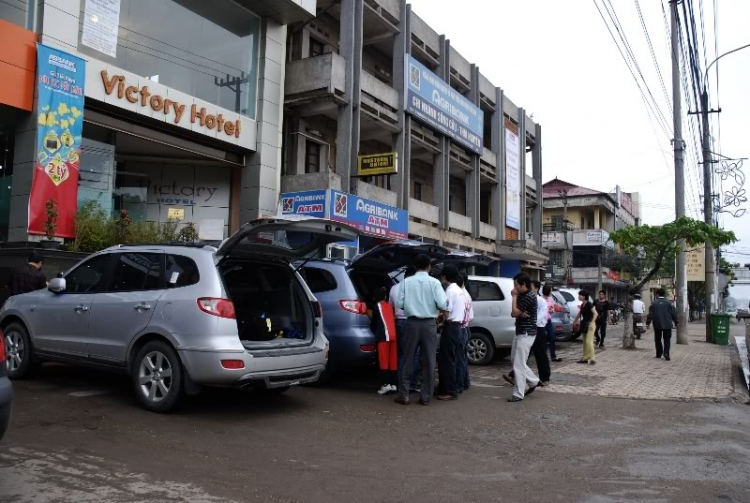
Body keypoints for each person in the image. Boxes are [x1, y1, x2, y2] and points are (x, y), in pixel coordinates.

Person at [396, 254, 448, 406]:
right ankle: (425, 397)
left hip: (411, 323)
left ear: (415, 266)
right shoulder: (435, 282)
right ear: (429, 266)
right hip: (429, 325)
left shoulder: (406, 282)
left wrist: (412, 307)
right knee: (429, 360)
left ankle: (404, 394)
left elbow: (399, 303)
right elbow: (442, 303)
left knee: (407, 359)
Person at [503, 273, 540, 402]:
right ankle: (534, 381)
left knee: (518, 364)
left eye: (516, 285)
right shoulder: (522, 295)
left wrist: (514, 297)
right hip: (520, 332)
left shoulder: (529, 296)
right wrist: (518, 312)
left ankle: (518, 393)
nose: (514, 288)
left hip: (526, 333)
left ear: (523, 285)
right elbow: (514, 314)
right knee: (515, 360)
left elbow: (514, 311)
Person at [507, 280, 551, 386]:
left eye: (531, 287)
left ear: (536, 288)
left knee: (540, 354)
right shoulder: (525, 298)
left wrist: (530, 320)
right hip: (526, 329)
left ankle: (544, 378)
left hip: (538, 329)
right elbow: (516, 312)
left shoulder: (541, 301)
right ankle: (516, 376)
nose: (529, 289)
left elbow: (540, 316)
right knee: (521, 355)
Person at [436, 265, 464, 401]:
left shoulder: (450, 291)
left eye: (442, 275)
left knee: (447, 361)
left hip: (451, 326)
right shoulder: (459, 290)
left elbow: (447, 312)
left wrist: (441, 318)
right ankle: (448, 388)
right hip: (457, 327)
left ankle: (449, 391)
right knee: (451, 359)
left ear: (445, 276)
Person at [390, 266, 419, 392]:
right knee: (415, 355)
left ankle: (401, 384)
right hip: (413, 322)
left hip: (399, 322)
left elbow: (390, 307)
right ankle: (412, 384)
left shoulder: (394, 288)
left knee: (402, 355)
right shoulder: (417, 289)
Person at [371, 287, 398, 395]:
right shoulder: (390, 306)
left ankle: (385, 384)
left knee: (383, 361)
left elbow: (373, 323)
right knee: (393, 361)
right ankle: (394, 385)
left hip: (383, 336)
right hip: (393, 336)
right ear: (385, 296)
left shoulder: (376, 306)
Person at [647, 288, 677, 361]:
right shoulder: (669, 303)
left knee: (657, 339)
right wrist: (676, 322)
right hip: (667, 324)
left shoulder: (653, 303)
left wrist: (648, 323)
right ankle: (666, 353)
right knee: (667, 339)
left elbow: (650, 314)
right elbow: (674, 314)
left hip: (657, 324)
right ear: (664, 294)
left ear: (657, 294)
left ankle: (659, 353)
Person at [456, 273, 473, 393]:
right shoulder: (466, 294)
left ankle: (460, 384)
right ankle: (465, 382)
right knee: (462, 358)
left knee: (459, 358)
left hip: (461, 328)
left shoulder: (462, 295)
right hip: (465, 328)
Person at [573, 290, 597, 365]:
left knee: (589, 342)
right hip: (584, 324)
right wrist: (574, 321)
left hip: (590, 325)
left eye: (580, 295)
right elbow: (579, 313)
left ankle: (592, 358)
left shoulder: (589, 304)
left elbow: (595, 314)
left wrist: (592, 322)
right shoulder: (582, 304)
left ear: (583, 296)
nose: (578, 296)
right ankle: (585, 358)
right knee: (584, 343)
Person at [543, 285, 562, 362]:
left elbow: (553, 307)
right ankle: (542, 356)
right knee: (542, 339)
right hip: (542, 321)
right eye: (550, 290)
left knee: (552, 338)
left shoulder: (550, 299)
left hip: (549, 320)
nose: (551, 292)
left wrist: (552, 310)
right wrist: (547, 310)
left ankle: (553, 356)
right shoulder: (540, 299)